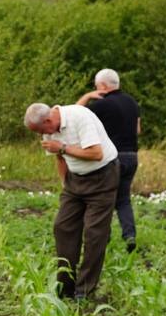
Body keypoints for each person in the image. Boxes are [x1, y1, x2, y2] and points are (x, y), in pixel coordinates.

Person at [24, 102, 120, 301]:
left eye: (40, 131)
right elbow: (59, 158)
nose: (41, 136)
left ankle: (84, 290)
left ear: (48, 120)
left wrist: (63, 147)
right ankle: (65, 285)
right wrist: (65, 185)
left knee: (94, 233)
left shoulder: (79, 117)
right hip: (75, 180)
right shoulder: (49, 131)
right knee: (63, 226)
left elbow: (96, 153)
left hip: (103, 177)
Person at [79, 69, 141, 251]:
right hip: (132, 157)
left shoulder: (102, 105)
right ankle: (129, 236)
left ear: (103, 86)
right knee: (123, 199)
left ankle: (103, 237)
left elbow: (75, 115)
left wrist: (88, 96)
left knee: (104, 199)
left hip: (112, 159)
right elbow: (138, 130)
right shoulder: (132, 102)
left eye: (96, 86)